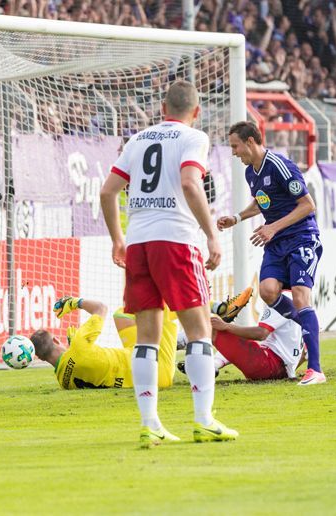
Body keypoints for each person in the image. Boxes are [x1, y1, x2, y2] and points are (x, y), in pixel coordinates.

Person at [99, 80, 237, 448]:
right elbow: (191, 185)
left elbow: (107, 191)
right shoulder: (194, 138)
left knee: (146, 338)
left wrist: (118, 238)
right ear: (196, 111)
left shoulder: (137, 140)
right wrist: (211, 233)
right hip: (175, 239)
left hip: (140, 244)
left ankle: (150, 424)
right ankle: (203, 419)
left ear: (162, 108)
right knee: (199, 332)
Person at [219, 121, 324, 386]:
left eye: (235, 146)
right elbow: (262, 201)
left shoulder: (279, 165)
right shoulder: (251, 173)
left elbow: (307, 205)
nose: (233, 152)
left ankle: (315, 369)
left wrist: (272, 227)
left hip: (301, 236)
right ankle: (306, 326)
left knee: (301, 295)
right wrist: (237, 217)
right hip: (277, 241)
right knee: (267, 291)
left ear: (250, 142)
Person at [30, 296, 178, 391]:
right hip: (157, 367)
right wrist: (74, 303)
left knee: (122, 315)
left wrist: (71, 348)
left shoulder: (63, 381)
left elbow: (80, 365)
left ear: (40, 358)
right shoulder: (78, 345)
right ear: (56, 339)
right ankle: (195, 324)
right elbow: (101, 308)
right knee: (158, 303)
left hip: (138, 368)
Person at [193, 296, 305, 381]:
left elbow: (261, 334)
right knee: (240, 340)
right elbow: (305, 354)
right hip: (278, 369)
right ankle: (212, 365)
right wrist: (289, 372)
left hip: (266, 365)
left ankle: (188, 351)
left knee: (210, 325)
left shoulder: (281, 301)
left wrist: (227, 326)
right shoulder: (302, 303)